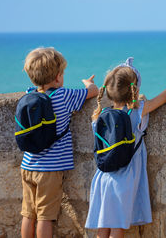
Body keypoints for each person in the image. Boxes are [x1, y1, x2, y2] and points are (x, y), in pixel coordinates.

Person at [85, 57, 166, 238]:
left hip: (103, 177)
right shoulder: (137, 112)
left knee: (103, 228)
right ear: (134, 89)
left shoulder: (99, 115)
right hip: (124, 180)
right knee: (117, 228)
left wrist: (89, 84)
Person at [20, 47, 99, 238]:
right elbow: (93, 91)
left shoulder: (28, 95)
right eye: (62, 74)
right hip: (50, 170)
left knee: (28, 214)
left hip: (28, 164)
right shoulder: (64, 96)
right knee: (45, 216)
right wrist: (88, 83)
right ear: (57, 78)